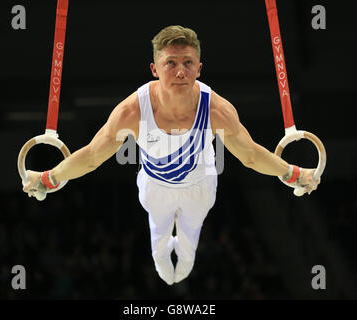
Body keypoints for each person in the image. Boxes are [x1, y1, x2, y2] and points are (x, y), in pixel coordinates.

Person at [23, 25, 320, 285]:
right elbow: (91, 156)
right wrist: (50, 177)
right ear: (154, 68)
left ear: (199, 68)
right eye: (171, 63)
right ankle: (163, 251)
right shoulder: (132, 110)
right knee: (162, 254)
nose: (180, 71)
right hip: (155, 189)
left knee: (188, 248)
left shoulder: (216, 110)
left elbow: (251, 155)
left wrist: (293, 172)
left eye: (188, 63)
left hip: (200, 187)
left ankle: (185, 256)